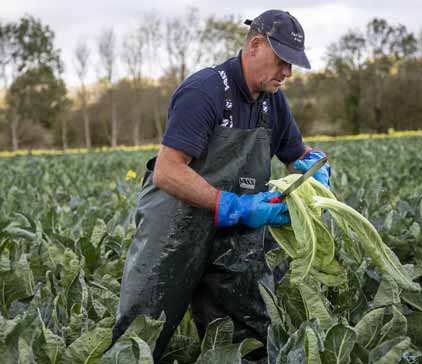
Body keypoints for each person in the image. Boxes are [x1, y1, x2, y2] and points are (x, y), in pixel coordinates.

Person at [111, 9, 331, 362]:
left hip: (232, 234)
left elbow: (296, 153)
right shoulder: (205, 90)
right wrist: (235, 205)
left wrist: (314, 167)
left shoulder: (273, 102)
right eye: (282, 61)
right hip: (173, 230)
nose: (288, 73)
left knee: (245, 339)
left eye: (292, 65)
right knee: (141, 336)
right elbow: (168, 171)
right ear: (256, 45)